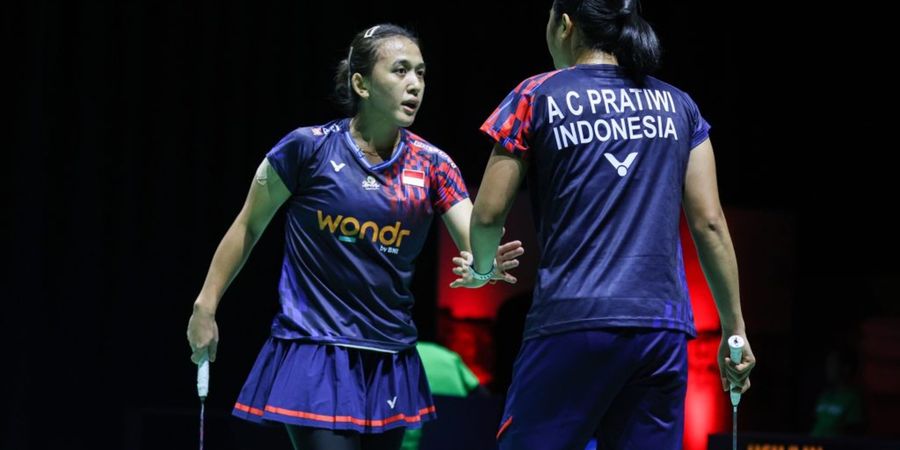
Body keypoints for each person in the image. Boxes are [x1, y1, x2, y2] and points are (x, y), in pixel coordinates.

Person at [186, 24, 523, 450]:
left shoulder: (434, 165)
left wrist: (483, 268)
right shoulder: (307, 149)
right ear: (361, 84)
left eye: (421, 73)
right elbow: (248, 226)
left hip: (389, 358)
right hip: (315, 349)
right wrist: (206, 305)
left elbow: (474, 240)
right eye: (400, 70)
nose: (415, 84)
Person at [450, 1, 756, 449]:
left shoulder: (535, 94)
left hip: (571, 320)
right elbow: (709, 224)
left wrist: (481, 268)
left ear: (565, 24)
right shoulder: (680, 106)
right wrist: (734, 329)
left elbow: (489, 213)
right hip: (661, 329)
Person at [811, 347, 864, 437]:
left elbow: (853, 433)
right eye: (827, 364)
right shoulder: (824, 396)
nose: (827, 368)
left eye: (832, 364)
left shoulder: (854, 399)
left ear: (846, 368)